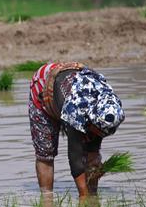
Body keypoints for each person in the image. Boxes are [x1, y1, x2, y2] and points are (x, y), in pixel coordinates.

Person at [28, 62, 125, 197]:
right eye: (98, 131)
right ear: (91, 119)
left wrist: (95, 164)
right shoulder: (76, 110)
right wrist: (84, 198)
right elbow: (75, 160)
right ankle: (46, 200)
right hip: (44, 86)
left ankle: (93, 193)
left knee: (92, 157)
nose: (100, 135)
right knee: (46, 152)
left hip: (73, 88)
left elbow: (93, 148)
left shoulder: (110, 105)